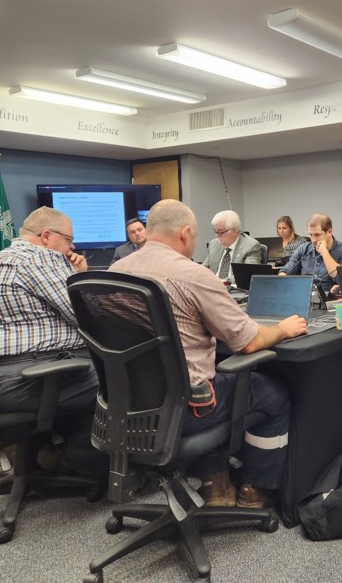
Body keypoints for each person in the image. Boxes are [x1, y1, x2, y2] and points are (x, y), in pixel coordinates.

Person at [111, 199, 307, 508]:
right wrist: (282, 329)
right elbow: (249, 341)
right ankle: (255, 488)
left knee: (214, 375)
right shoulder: (193, 275)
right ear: (186, 233)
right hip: (186, 410)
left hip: (125, 407)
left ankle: (214, 482)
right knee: (272, 392)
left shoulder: (114, 271)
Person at [0, 206, 103, 476]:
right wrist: (79, 277)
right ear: (46, 236)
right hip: (30, 376)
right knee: (122, 380)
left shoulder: (0, 258)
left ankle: (42, 451)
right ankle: (75, 462)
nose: (72, 246)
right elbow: (87, 315)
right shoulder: (39, 258)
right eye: (68, 239)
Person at [279, 214, 342, 294]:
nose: (313, 240)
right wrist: (280, 280)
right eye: (310, 235)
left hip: (328, 297)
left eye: (317, 235)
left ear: (329, 232)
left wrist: (324, 252)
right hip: (304, 295)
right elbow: (287, 270)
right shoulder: (304, 248)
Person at [200, 210, 263, 283]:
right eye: (216, 231)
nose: (217, 236)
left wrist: (224, 281)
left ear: (234, 231)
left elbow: (247, 274)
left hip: (234, 289)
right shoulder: (214, 244)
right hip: (213, 287)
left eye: (220, 232)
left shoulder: (251, 246)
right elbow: (204, 269)